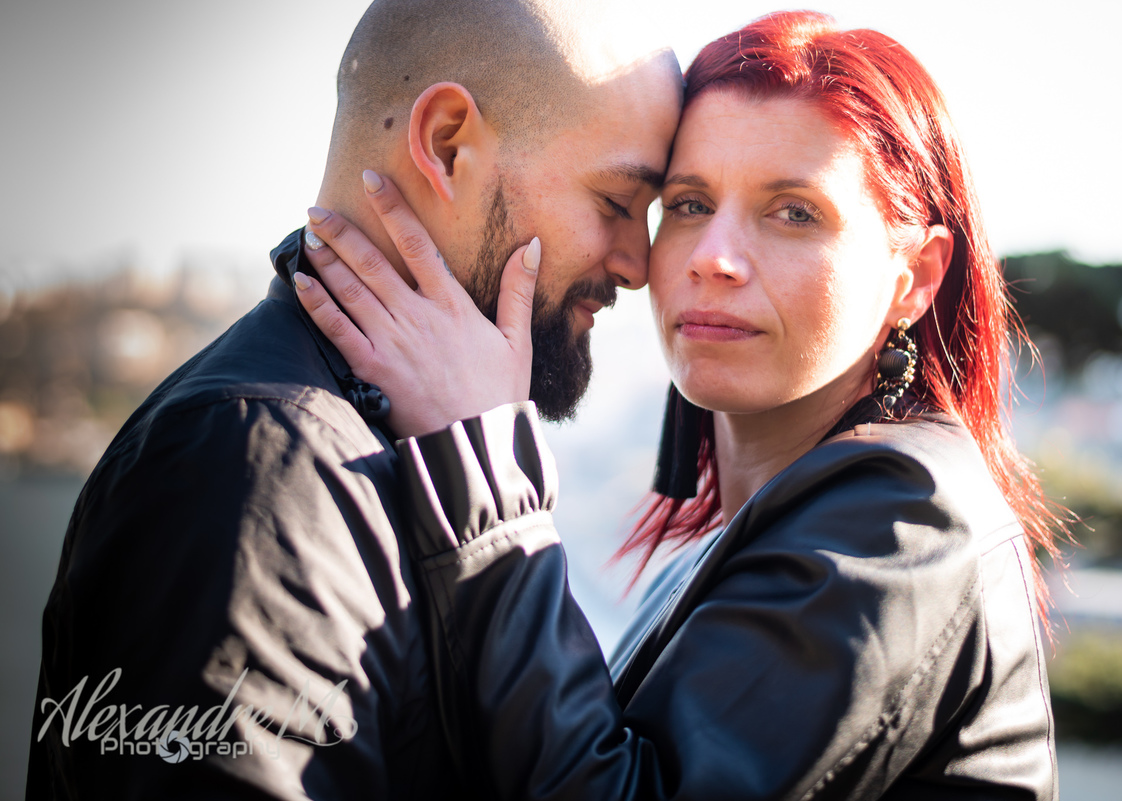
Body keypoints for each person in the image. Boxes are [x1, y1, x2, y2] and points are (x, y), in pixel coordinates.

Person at [298, 10, 1065, 800]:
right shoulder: (790, 514)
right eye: (690, 204)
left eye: (794, 211)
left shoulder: (906, 519)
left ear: (916, 277)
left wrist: (481, 458)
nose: (713, 258)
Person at [26, 0, 680, 797]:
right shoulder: (255, 469)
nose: (639, 264)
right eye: (616, 202)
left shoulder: (397, 447)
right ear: (446, 144)